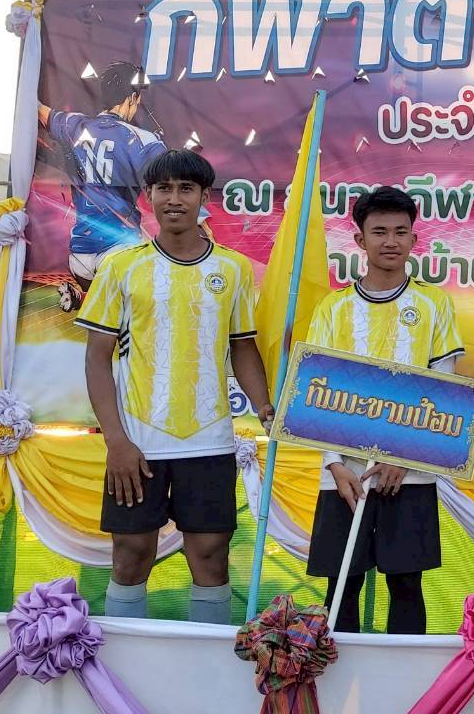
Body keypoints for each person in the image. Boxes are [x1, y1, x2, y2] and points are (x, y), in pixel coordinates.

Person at [76, 150, 274, 623]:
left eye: (186, 189)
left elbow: (243, 347)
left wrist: (265, 406)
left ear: (204, 197)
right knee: (131, 554)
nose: (174, 198)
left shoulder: (233, 269)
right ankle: (127, 663)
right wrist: (116, 441)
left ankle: (202, 663)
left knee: (210, 555)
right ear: (149, 196)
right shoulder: (121, 267)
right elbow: (97, 358)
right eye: (164, 188)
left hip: (209, 440)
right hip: (138, 442)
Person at [305, 187, 463, 634]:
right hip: (344, 475)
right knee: (342, 585)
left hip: (410, 472)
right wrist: (334, 465)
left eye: (400, 231)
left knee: (406, 584)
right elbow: (315, 391)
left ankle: (405, 678)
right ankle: (341, 675)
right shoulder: (334, 307)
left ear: (414, 239)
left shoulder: (434, 304)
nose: (390, 241)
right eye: (379, 232)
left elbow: (445, 389)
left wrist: (405, 455)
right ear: (360, 240)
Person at [38, 61, 165, 312]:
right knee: (142, 315)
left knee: (104, 319)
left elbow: (38, 110)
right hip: (121, 250)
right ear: (132, 98)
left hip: (79, 255)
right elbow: (175, 186)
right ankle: (87, 298)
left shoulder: (74, 124)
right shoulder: (143, 140)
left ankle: (82, 297)